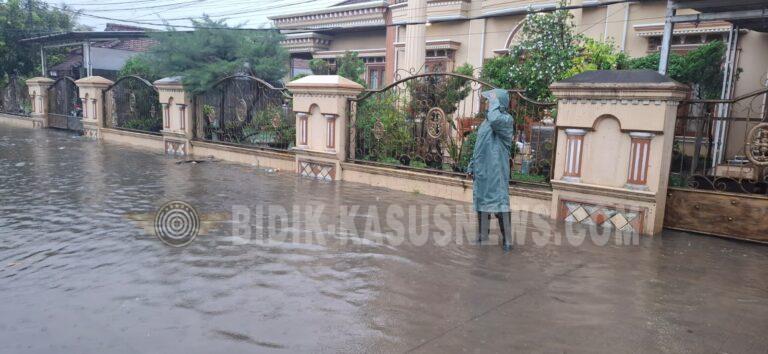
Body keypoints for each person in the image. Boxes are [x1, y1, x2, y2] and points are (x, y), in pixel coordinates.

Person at [467, 89, 515, 251]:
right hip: (482, 170)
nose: (487, 103)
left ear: (498, 102)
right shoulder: (485, 122)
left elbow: (495, 119)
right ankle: (483, 236)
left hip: (496, 170)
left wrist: (495, 101)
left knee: (500, 204)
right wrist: (472, 165)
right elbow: (478, 146)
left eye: (491, 100)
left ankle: (507, 240)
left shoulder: (506, 120)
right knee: (481, 202)